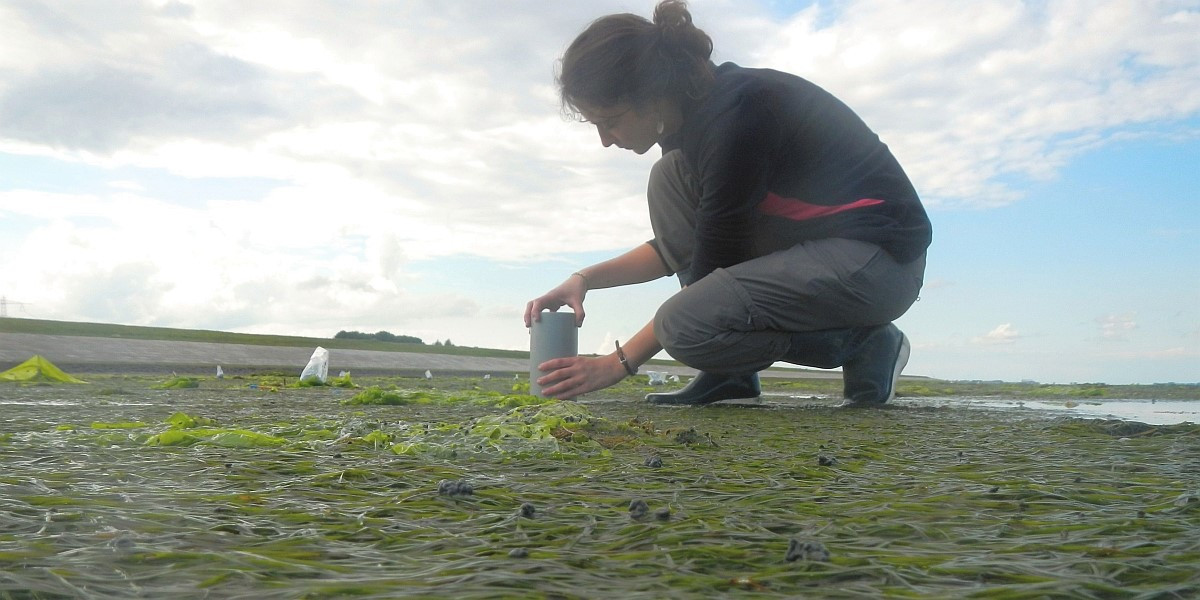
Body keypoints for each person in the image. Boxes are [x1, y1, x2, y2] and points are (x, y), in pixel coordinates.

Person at [523, 0, 931, 406]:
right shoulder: (694, 119)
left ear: (652, 94)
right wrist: (585, 279)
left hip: (881, 263)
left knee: (682, 326)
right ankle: (729, 374)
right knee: (669, 177)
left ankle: (864, 344)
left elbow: (705, 273)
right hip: (819, 245)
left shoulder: (737, 119)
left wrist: (617, 363)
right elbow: (683, 250)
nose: (606, 140)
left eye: (609, 120)